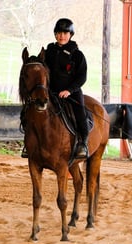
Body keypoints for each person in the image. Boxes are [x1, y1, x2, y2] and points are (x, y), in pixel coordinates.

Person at [21, 18, 89, 159]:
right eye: (59, 33)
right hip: (50, 92)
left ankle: (83, 143)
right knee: (27, 110)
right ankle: (28, 144)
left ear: (71, 35)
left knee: (80, 113)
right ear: (55, 34)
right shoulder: (48, 52)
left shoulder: (77, 55)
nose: (62, 36)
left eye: (65, 33)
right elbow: (40, 69)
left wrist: (69, 90)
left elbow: (82, 77)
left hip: (71, 93)